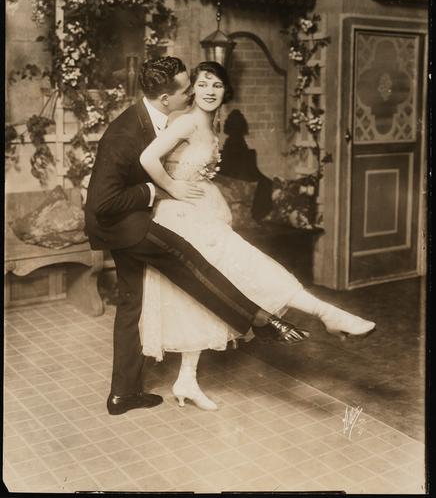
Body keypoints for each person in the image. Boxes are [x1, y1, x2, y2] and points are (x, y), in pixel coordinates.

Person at [138, 61, 376, 411]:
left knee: (208, 292)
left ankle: (186, 379)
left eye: (217, 85)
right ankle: (327, 313)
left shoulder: (210, 126)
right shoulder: (186, 121)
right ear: (192, 89)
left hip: (201, 216)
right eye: (202, 84)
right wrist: (173, 188)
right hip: (182, 218)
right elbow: (148, 158)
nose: (209, 91)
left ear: (226, 90)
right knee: (244, 270)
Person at [85, 57, 310, 416]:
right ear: (165, 98)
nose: (193, 93)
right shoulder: (124, 131)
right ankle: (259, 320)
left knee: (131, 302)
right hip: (120, 223)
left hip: (134, 217)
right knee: (190, 261)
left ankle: (122, 395)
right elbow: (102, 202)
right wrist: (158, 190)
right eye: (187, 89)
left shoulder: (159, 118)